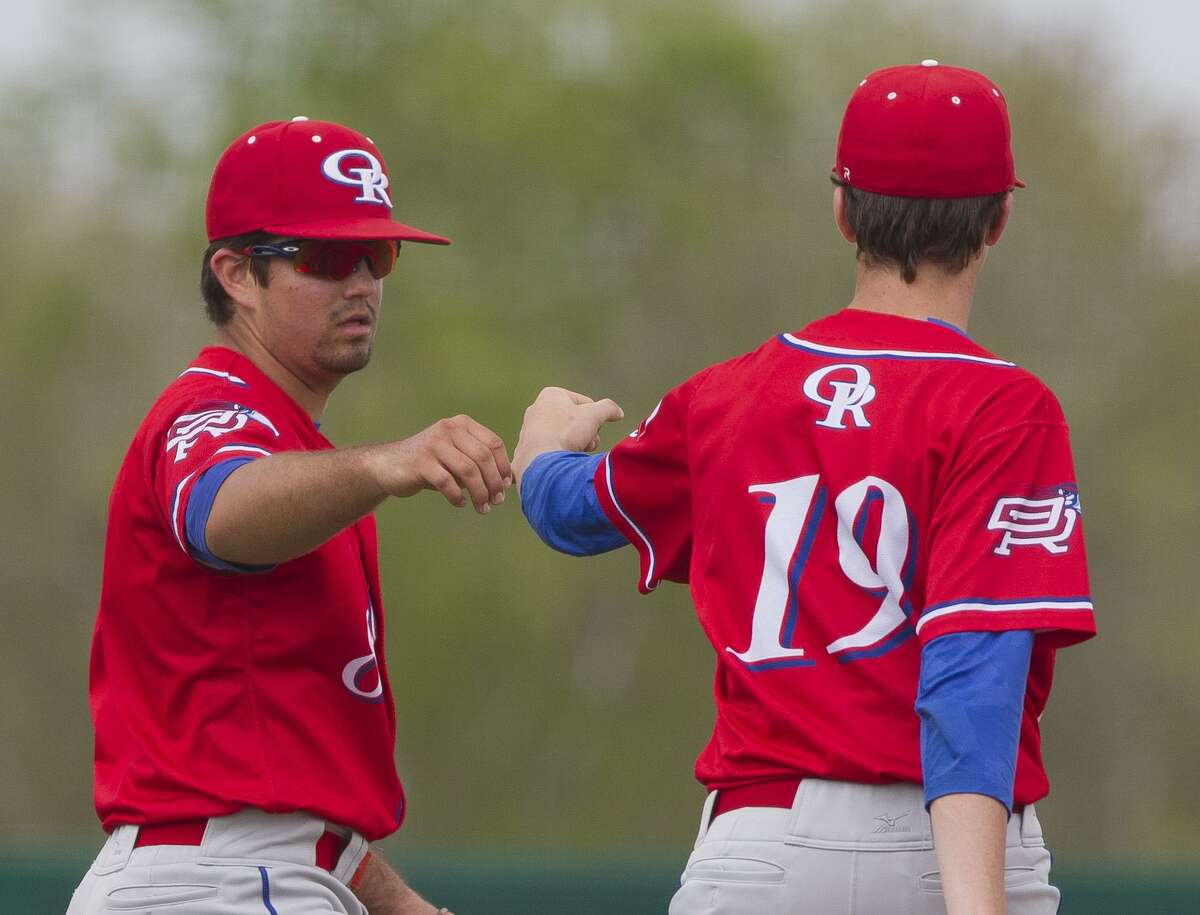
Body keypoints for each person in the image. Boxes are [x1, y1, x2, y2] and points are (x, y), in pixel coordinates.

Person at [513, 61, 1096, 914]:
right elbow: (972, 681)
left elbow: (576, 512)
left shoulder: (728, 395)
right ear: (999, 217)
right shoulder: (1004, 408)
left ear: (842, 209)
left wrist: (540, 459)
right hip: (949, 855)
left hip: (761, 851)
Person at [68, 117, 512, 915]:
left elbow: (289, 794)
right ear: (237, 273)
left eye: (377, 256)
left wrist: (400, 904)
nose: (363, 284)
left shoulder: (295, 446)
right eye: (327, 257)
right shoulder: (214, 411)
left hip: (251, 874)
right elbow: (220, 511)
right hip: (220, 882)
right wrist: (386, 461)